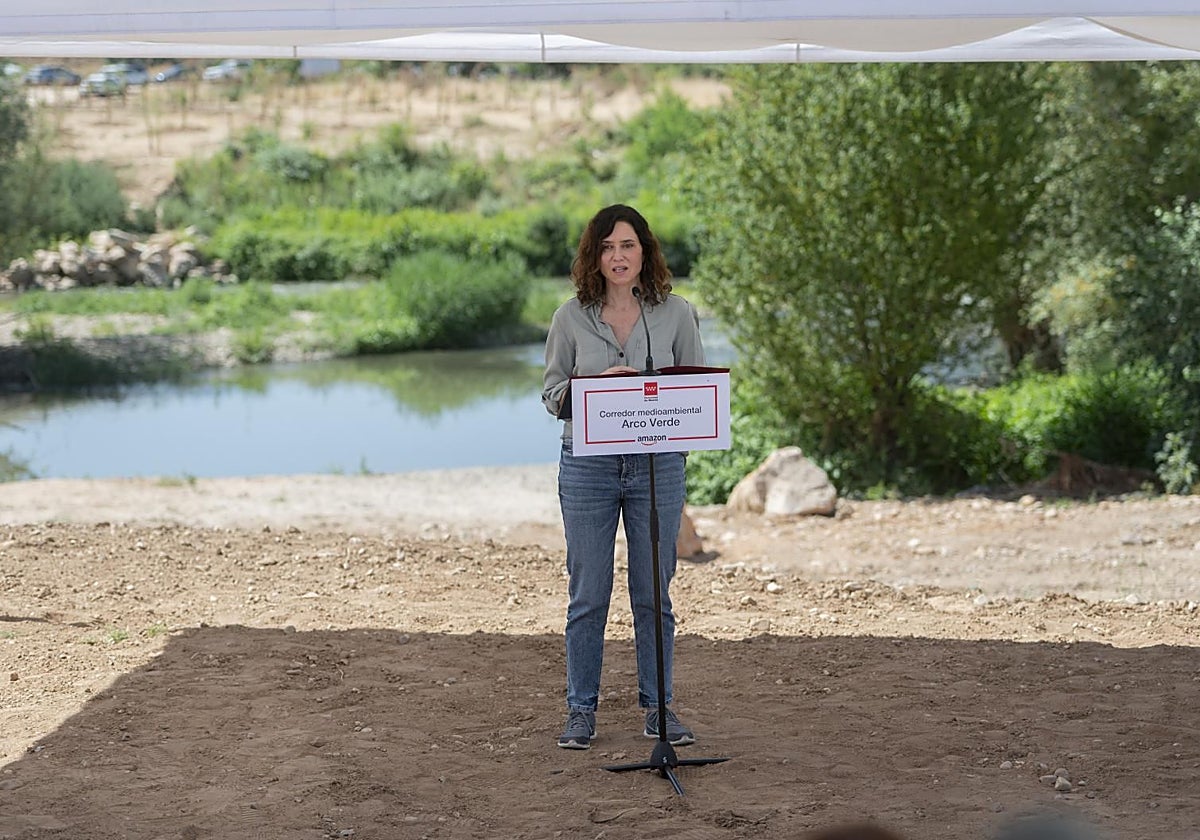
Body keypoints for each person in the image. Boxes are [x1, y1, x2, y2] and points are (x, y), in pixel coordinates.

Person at [542, 203, 706, 750]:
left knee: (653, 593)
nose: (618, 256)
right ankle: (580, 712)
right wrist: (596, 387)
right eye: (607, 247)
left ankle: (659, 709)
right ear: (594, 255)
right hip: (587, 469)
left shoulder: (677, 314)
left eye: (628, 245)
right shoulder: (570, 317)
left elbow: (695, 390)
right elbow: (552, 397)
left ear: (645, 252)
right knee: (589, 593)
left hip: (657, 467)